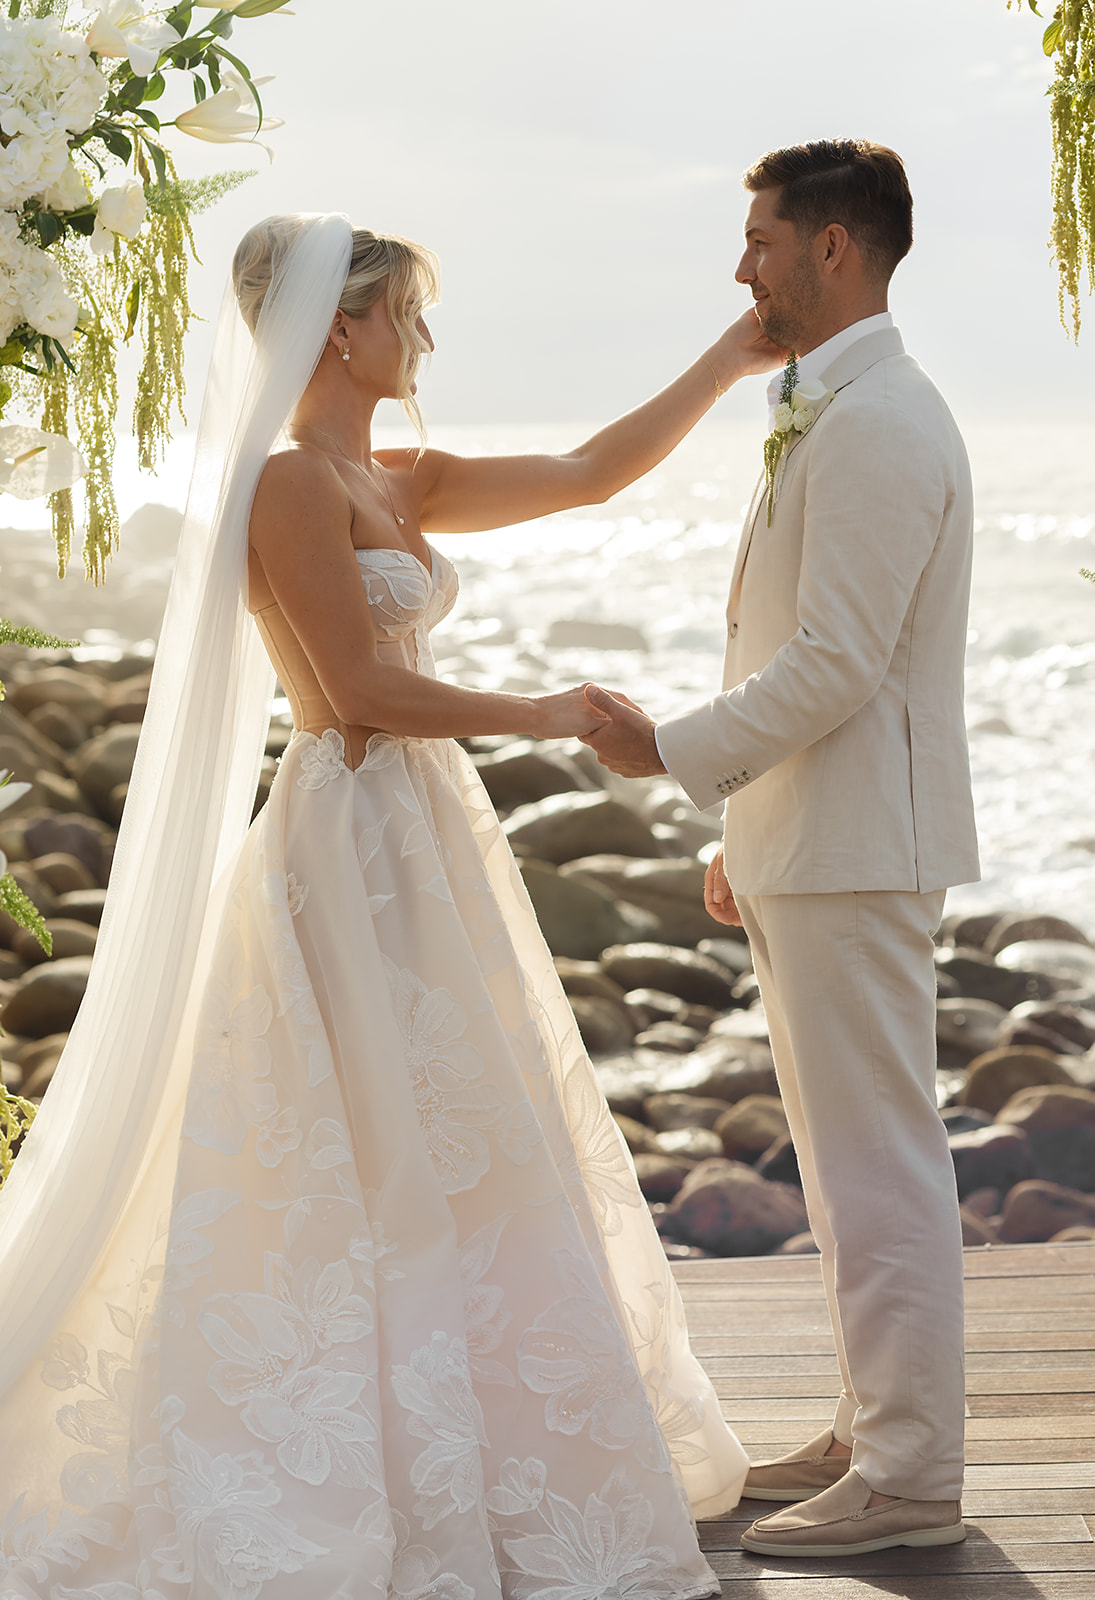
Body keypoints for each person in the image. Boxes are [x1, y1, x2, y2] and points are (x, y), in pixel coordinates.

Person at [0, 212, 783, 1598]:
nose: (426, 338)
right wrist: (540, 710)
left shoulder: (389, 477)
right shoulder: (296, 487)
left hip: (425, 830)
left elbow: (594, 472)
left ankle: (476, 1431)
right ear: (343, 328)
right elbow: (355, 693)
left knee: (473, 1129)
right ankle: (366, 1449)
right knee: (370, 1140)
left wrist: (731, 356)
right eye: (410, 314)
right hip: (352, 831)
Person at [581, 140, 979, 1560]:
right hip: (821, 837)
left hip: (867, 844)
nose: (739, 267)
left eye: (759, 240)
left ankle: (915, 1473)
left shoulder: (878, 422)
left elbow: (838, 665)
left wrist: (670, 752)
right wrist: (749, 828)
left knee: (878, 1159)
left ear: (832, 249)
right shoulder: (834, 402)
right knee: (842, 1156)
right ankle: (879, 1428)